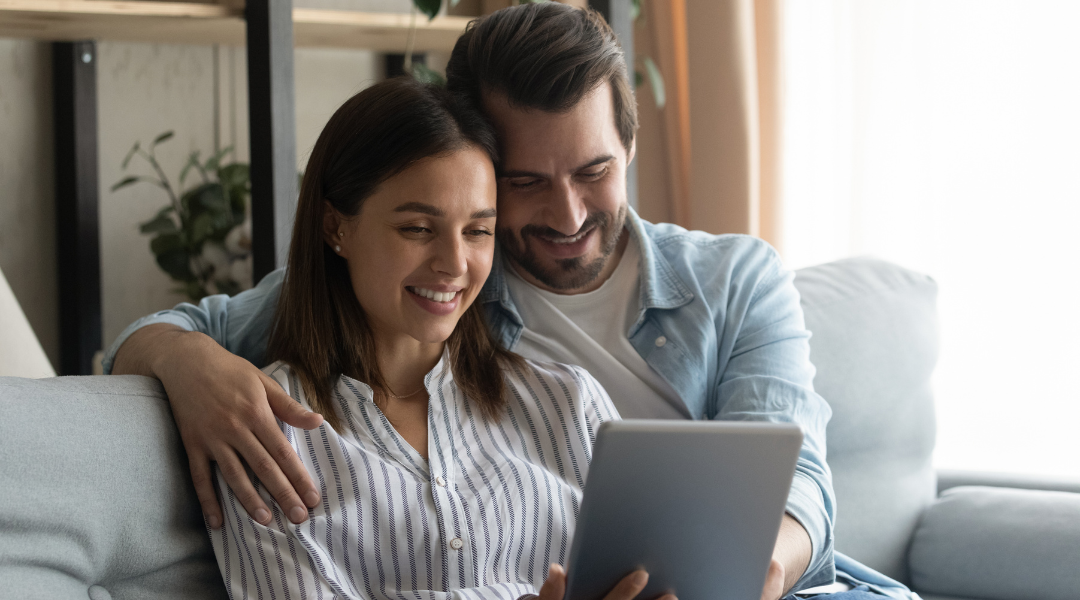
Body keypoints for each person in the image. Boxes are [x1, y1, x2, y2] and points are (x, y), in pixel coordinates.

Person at [107, 4, 913, 600]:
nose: (566, 216)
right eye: (526, 184)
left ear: (629, 146)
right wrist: (186, 364)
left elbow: (793, 471)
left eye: (594, 171)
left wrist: (754, 572)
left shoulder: (733, 281)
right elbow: (179, 332)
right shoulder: (432, 288)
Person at [206, 75, 669, 600]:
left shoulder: (571, 402)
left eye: (477, 231)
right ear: (336, 228)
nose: (454, 264)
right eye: (418, 229)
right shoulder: (263, 429)